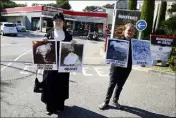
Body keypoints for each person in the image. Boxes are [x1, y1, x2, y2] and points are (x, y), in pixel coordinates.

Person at [41, 12, 76, 115]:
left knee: (61, 85)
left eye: (60, 20)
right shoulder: (49, 34)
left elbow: (72, 50)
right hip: (50, 66)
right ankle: (50, 107)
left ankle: (59, 105)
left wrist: (74, 44)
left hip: (63, 66)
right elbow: (43, 49)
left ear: (63, 22)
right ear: (53, 22)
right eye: (56, 20)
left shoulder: (68, 35)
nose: (58, 22)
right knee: (49, 85)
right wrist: (43, 41)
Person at [99, 23, 136, 110]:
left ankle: (115, 100)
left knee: (120, 85)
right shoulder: (117, 40)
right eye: (128, 30)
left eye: (132, 30)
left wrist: (142, 61)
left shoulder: (136, 43)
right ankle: (106, 101)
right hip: (116, 67)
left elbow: (137, 56)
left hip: (127, 68)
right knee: (112, 84)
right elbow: (111, 52)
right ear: (124, 31)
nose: (130, 32)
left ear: (134, 32)